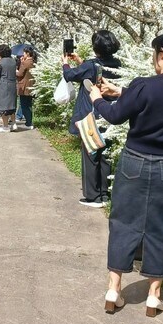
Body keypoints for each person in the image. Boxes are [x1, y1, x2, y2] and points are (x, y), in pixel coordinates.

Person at [87, 31, 163, 318]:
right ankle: (154, 296)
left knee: (124, 221)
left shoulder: (143, 85)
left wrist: (98, 98)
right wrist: (121, 91)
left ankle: (114, 290)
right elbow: (159, 99)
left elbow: (115, 116)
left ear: (162, 54)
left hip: (134, 162)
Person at [62, 30, 122, 207]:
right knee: (105, 154)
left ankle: (93, 196)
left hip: (91, 114)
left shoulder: (91, 65)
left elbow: (70, 75)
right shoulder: (117, 64)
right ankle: (104, 194)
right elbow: (94, 73)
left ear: (96, 47)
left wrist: (65, 63)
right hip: (109, 113)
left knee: (91, 153)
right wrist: (81, 62)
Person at [0, 44, 18, 132]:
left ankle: (5, 127)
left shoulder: (0, 62)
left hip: (2, 86)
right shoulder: (13, 61)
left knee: (3, 106)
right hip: (12, 85)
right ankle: (13, 124)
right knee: (11, 106)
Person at [15, 44, 37, 130]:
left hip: (24, 86)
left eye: (24, 53)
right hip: (31, 85)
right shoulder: (33, 62)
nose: (23, 54)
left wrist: (15, 71)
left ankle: (29, 122)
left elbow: (20, 74)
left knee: (24, 105)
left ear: (27, 53)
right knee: (29, 105)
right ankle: (29, 121)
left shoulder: (25, 63)